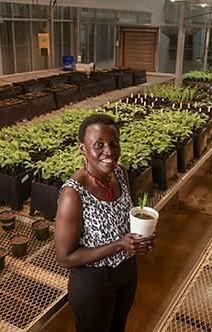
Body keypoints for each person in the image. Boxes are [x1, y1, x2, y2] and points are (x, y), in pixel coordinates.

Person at [55, 113, 157, 332]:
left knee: (118, 327)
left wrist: (141, 239)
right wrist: (119, 245)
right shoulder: (73, 193)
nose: (109, 151)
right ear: (83, 148)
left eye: (114, 143)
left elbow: (124, 220)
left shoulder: (120, 174)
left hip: (127, 271)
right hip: (93, 281)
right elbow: (65, 257)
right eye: (98, 144)